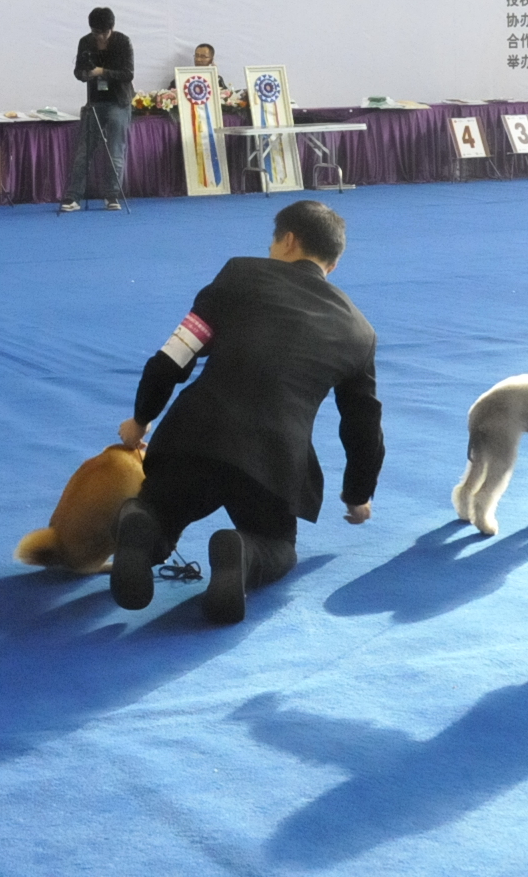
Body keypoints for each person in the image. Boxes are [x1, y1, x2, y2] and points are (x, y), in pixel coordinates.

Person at [109, 199, 382, 624]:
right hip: (273, 462)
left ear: (288, 240)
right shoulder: (359, 332)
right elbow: (363, 425)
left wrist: (140, 419)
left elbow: (174, 356)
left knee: (158, 509)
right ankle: (244, 552)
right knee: (278, 545)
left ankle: (143, 527)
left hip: (193, 436)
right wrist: (358, 493)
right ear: (334, 263)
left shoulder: (239, 275)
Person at [61, 7, 134, 211]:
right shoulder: (85, 42)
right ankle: (73, 197)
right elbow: (78, 71)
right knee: (84, 151)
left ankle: (112, 195)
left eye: (104, 33)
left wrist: (102, 71)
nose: (100, 37)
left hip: (119, 101)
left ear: (112, 28)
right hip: (95, 100)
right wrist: (85, 74)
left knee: (115, 150)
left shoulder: (123, 42)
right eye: (96, 33)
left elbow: (128, 74)